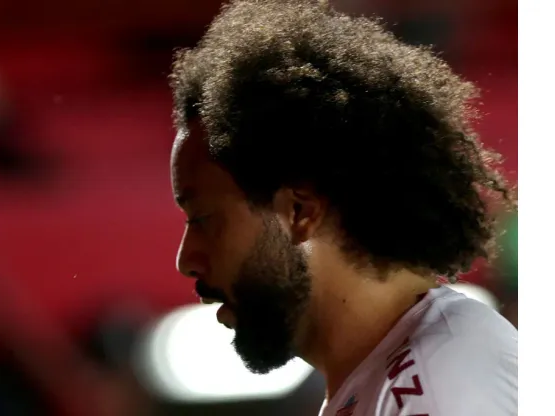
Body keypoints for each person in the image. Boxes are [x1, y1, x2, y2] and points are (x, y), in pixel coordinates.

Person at [167, 1, 517, 415]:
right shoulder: (398, 375)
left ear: (299, 212)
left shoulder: (434, 387)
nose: (186, 261)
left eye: (203, 220)